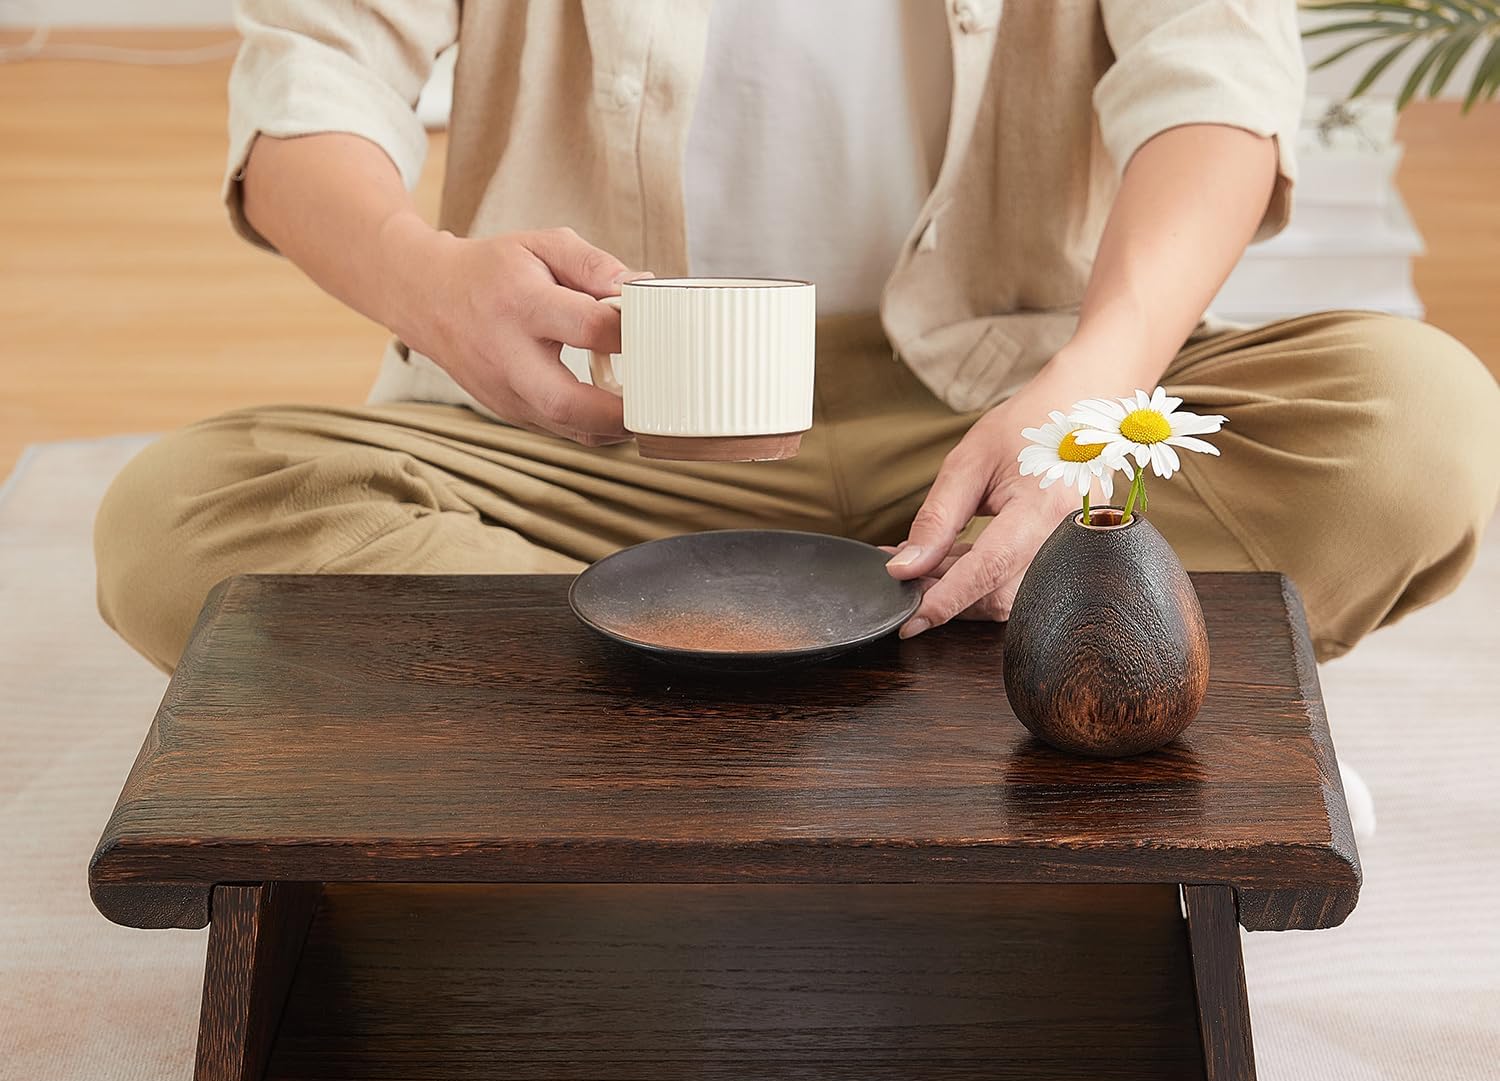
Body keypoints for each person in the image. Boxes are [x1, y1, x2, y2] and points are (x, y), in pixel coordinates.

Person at [95, 0, 1498, 676]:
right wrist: (425, 279)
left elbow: (1218, 82)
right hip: (594, 445)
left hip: (1001, 436)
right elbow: (308, 79)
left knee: (1415, 426)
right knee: (179, 523)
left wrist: (1095, 388)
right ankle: (1013, 694)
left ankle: (630, 726)